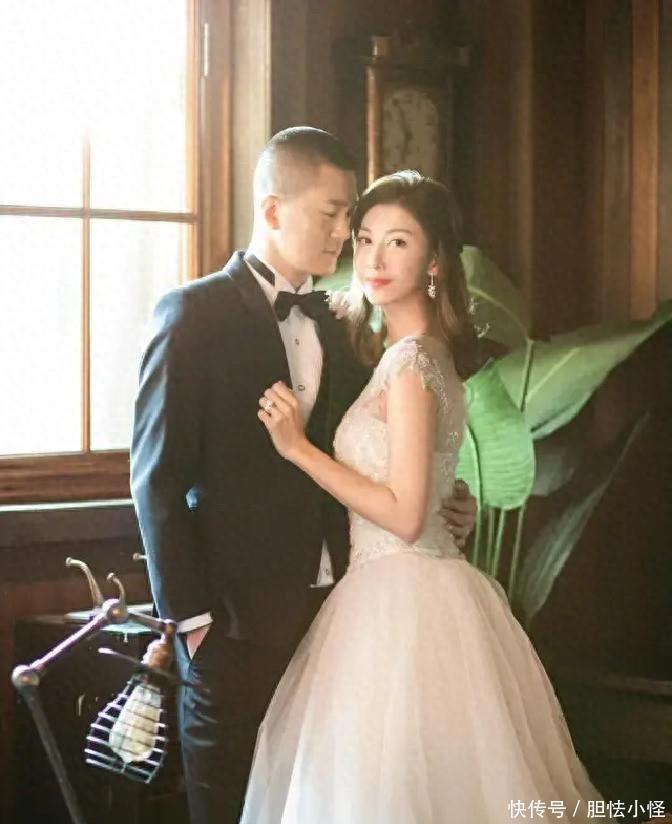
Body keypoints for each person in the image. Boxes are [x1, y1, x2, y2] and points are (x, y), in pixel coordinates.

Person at [130, 128, 476, 824]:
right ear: (273, 209)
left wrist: (448, 498)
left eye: (353, 218)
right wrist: (195, 626)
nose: (345, 235)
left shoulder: (346, 323)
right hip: (233, 632)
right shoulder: (192, 315)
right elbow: (154, 482)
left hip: (340, 624)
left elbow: (385, 454)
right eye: (334, 214)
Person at [240, 170, 606, 824]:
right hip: (412, 591)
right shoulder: (421, 355)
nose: (374, 259)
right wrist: (454, 497)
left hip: (399, 601)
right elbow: (426, 487)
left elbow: (406, 516)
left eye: (399, 242)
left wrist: (299, 449)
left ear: (435, 260)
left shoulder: (411, 364)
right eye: (366, 239)